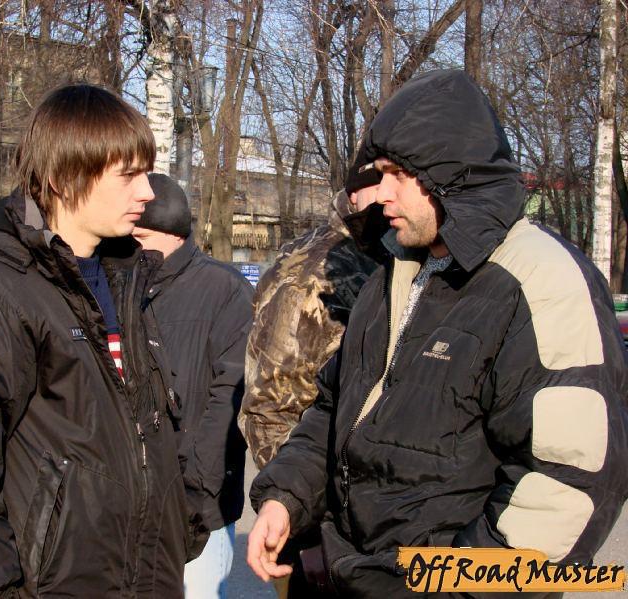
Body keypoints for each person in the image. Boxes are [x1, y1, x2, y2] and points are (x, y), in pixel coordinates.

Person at [247, 69, 628, 598]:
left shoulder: (544, 281)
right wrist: (285, 497)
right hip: (358, 575)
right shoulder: (395, 271)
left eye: (396, 175)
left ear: (448, 176)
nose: (380, 194)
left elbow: (566, 486)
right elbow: (333, 411)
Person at [0, 83, 195, 598]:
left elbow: (145, 432)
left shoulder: (123, 274)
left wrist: (183, 520)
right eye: (128, 175)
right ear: (64, 177)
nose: (148, 192)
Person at [238, 162, 383, 598]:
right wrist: (304, 512)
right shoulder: (313, 271)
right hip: (325, 515)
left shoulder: (384, 256)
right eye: (382, 183)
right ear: (355, 194)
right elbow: (269, 406)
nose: (393, 195)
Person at [131, 173, 253, 599]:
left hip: (198, 507)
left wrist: (194, 494)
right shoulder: (125, 288)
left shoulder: (226, 291)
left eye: (140, 236)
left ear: (173, 232)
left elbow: (230, 398)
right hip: (134, 502)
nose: (130, 245)